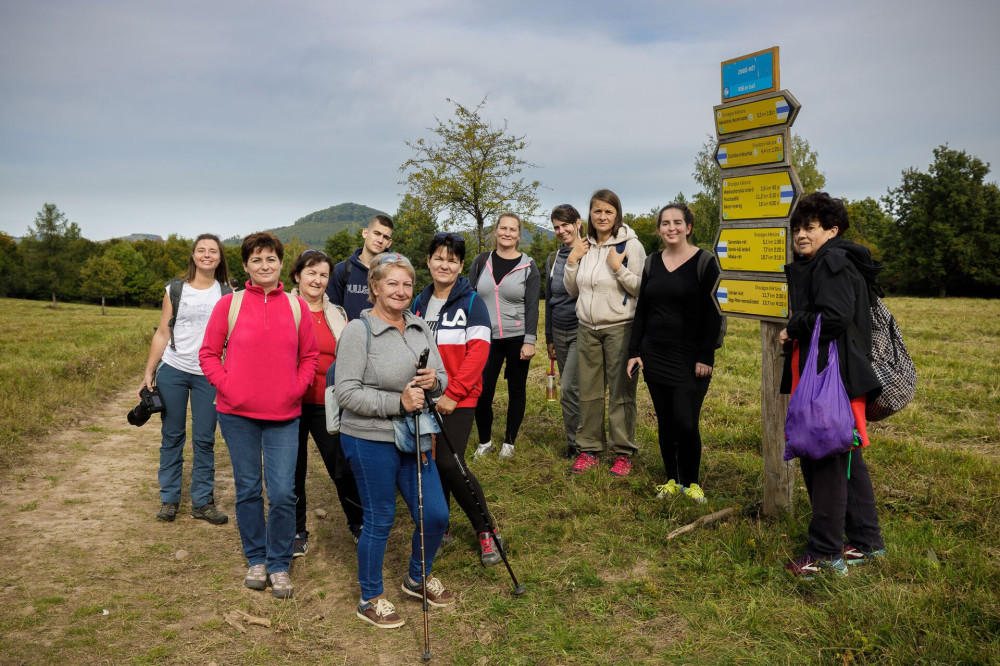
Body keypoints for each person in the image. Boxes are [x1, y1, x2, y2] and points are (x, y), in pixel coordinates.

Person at [335, 252, 452, 629]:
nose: (401, 291)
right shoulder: (359, 331)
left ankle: (417, 578)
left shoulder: (419, 326)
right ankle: (370, 597)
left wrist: (436, 382)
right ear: (374, 288)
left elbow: (444, 378)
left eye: (406, 284)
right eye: (392, 283)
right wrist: (396, 403)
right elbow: (346, 393)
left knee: (435, 514)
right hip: (369, 438)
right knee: (380, 518)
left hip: (415, 435)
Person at [199, 232, 319, 599]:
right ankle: (256, 558)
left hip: (284, 415)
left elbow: (310, 357)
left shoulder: (297, 308)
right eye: (256, 260)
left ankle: (279, 563)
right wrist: (229, 386)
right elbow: (207, 354)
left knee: (283, 492)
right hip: (237, 415)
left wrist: (294, 389)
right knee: (249, 489)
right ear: (246, 266)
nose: (264, 266)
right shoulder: (229, 305)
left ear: (282, 264)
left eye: (271, 259)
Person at [778, 192, 886, 577]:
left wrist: (794, 325)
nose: (800, 236)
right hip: (838, 376)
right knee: (847, 456)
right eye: (796, 230)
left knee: (823, 455)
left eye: (810, 228)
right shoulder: (833, 260)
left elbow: (834, 317)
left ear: (831, 229)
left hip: (829, 379)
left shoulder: (833, 262)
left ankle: (825, 554)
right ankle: (867, 543)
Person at [412, 232, 505, 566]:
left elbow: (478, 354)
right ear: (428, 261)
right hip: (424, 398)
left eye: (451, 259)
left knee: (450, 462)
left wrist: (452, 394)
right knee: (432, 464)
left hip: (460, 398)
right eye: (439, 257)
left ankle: (486, 529)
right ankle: (442, 527)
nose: (444, 264)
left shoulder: (471, 302)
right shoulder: (418, 302)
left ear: (461, 265)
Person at [627, 203, 722, 503]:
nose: (671, 228)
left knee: (685, 420)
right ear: (659, 229)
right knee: (665, 420)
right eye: (665, 223)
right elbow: (642, 310)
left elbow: (714, 312)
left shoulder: (705, 262)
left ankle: (691, 483)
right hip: (654, 353)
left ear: (688, 227)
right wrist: (634, 351)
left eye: (678, 222)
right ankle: (671, 479)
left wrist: (705, 355)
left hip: (691, 356)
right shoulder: (652, 262)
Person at [140, 234, 231, 525]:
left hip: (210, 374)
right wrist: (149, 371)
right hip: (174, 370)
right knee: (172, 436)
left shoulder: (228, 294)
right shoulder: (175, 290)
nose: (207, 255)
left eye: (212, 251)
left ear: (219, 258)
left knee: (204, 439)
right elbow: (163, 333)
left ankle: (202, 502)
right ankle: (169, 500)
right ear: (193, 256)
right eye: (201, 250)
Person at [563, 189, 645, 476]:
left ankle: (623, 452)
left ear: (617, 214)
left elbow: (641, 288)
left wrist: (617, 268)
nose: (602, 216)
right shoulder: (583, 246)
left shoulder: (630, 245)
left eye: (608, 211)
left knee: (621, 392)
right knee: (589, 391)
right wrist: (572, 261)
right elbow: (572, 289)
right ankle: (590, 450)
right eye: (598, 211)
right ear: (590, 214)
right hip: (587, 328)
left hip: (620, 327)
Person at [288, 249, 364, 557]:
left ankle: (359, 523)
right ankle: (296, 530)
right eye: (311, 273)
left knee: (342, 465)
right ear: (297, 276)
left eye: (323, 274)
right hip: (290, 402)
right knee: (293, 469)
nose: (317, 280)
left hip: (327, 402)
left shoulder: (339, 314)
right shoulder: (285, 309)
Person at [468, 213, 540, 460]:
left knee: (516, 390)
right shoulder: (480, 262)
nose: (507, 233)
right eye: (503, 228)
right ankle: (485, 441)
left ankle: (509, 442)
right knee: (483, 391)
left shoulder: (528, 266)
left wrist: (529, 341)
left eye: (513, 229)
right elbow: (469, 297)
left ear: (519, 235)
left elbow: (533, 306)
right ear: (496, 231)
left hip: (517, 337)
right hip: (486, 338)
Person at [545, 204, 584, 459]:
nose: (561, 231)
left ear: (578, 223)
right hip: (559, 331)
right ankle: (575, 444)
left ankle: (583, 444)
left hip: (582, 329)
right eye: (556, 227)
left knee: (571, 388)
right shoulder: (552, 259)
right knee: (569, 390)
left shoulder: (590, 253)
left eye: (565, 225)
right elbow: (549, 299)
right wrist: (549, 337)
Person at [327, 215, 394, 320]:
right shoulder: (341, 270)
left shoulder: (393, 272)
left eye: (385, 237)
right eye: (377, 233)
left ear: (389, 243)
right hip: (348, 334)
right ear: (365, 233)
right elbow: (331, 311)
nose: (380, 240)